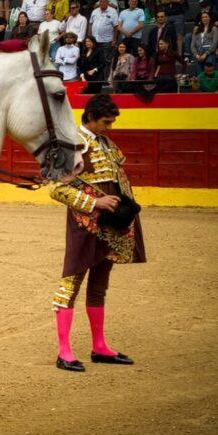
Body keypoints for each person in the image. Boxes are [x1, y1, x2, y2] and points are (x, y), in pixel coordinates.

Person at [50, 94, 145, 373]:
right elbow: (57, 189)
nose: (110, 127)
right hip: (85, 222)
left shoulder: (105, 143)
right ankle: (64, 351)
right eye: (106, 121)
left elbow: (118, 182)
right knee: (71, 282)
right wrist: (95, 203)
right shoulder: (72, 144)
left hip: (110, 223)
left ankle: (100, 347)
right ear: (90, 116)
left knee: (99, 284)